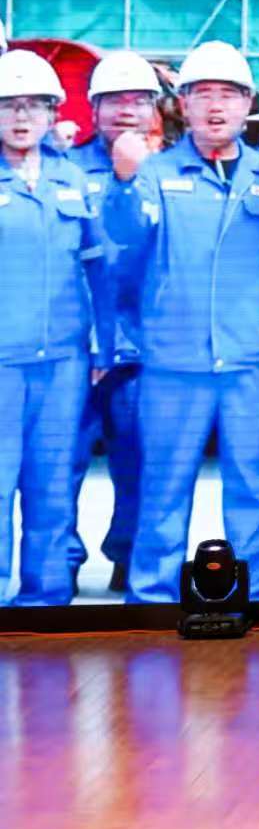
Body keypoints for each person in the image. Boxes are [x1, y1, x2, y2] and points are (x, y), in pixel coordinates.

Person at [102, 41, 259, 604]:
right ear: (183, 105)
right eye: (203, 95)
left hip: (252, 360)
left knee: (256, 483)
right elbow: (123, 246)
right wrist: (123, 185)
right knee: (163, 485)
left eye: (229, 94)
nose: (216, 106)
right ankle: (152, 597)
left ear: (249, 104)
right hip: (173, 364)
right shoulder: (153, 174)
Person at [0, 48, 114, 605]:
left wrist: (102, 346)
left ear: (53, 113)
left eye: (34, 105)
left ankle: (44, 601)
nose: (21, 117)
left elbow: (100, 268)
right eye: (8, 105)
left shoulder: (74, 179)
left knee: (51, 484)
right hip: (2, 362)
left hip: (64, 363)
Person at [63, 49, 163, 591]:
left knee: (140, 462)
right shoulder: (62, 167)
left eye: (139, 100)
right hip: (75, 347)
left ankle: (130, 557)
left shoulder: (170, 172)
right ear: (94, 107)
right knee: (59, 463)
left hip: (142, 349)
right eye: (114, 100)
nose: (127, 110)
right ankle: (59, 561)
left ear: (155, 109)